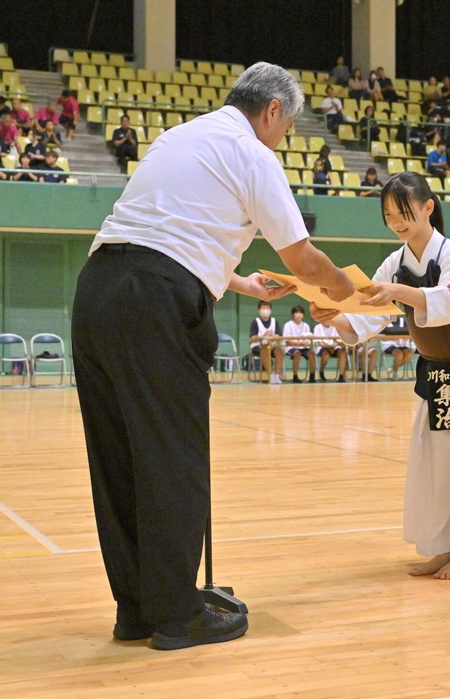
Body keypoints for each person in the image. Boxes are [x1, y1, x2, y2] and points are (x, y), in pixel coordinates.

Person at [71, 62, 354, 650]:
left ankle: (137, 609)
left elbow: (170, 229)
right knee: (171, 455)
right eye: (289, 124)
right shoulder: (253, 154)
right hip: (155, 302)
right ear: (272, 110)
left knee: (118, 456)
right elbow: (304, 260)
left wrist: (242, 283)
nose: (286, 136)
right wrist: (345, 290)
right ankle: (178, 613)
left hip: (98, 289)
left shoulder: (182, 135)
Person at [313, 171, 450, 580]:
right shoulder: (395, 262)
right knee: (436, 465)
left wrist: (399, 293)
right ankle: (444, 546)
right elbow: (368, 314)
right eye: (389, 215)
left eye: (404, 212)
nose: (397, 222)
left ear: (428, 208)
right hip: (436, 372)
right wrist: (336, 318)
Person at [248, 300, 282, 384]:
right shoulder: (255, 322)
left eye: (267, 308)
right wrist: (264, 335)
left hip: (271, 345)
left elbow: (279, 336)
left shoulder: (274, 321)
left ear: (270, 310)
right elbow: (252, 338)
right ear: (259, 310)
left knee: (279, 351)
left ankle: (277, 375)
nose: (265, 310)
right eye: (263, 308)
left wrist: (274, 336)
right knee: (265, 350)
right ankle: (270, 375)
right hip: (258, 346)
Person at [282, 305, 317, 383]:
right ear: (293, 314)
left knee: (312, 354)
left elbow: (308, 338)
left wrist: (305, 342)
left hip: (304, 347)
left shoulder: (306, 325)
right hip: (291, 348)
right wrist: (300, 342)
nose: (299, 315)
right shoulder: (288, 325)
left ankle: (312, 376)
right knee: (297, 353)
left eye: (300, 313)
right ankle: (295, 376)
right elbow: (288, 340)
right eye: (296, 313)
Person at [380, 315, 415, 379]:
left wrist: (403, 339)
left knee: (410, 354)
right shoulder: (385, 322)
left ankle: (393, 368)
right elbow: (382, 336)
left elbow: (407, 333)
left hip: (400, 344)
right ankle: (395, 372)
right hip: (388, 345)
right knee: (399, 354)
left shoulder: (402, 321)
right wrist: (394, 337)